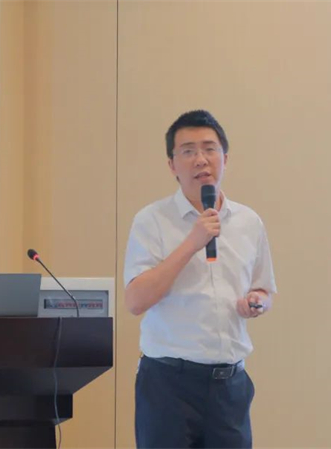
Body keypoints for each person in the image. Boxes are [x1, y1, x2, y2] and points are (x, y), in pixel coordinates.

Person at [123, 110, 277, 448]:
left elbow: (264, 288)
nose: (200, 159)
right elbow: (135, 301)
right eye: (188, 151)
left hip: (229, 386)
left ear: (225, 158)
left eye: (209, 149)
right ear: (172, 165)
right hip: (168, 385)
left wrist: (256, 302)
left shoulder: (248, 222)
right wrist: (192, 242)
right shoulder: (152, 220)